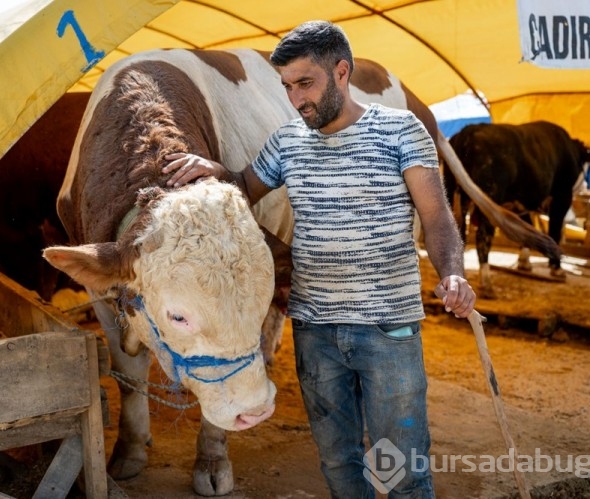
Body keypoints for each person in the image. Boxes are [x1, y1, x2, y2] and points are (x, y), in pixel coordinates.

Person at [162, 20, 476, 499]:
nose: (296, 99)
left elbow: (436, 217)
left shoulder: (400, 130)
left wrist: (452, 272)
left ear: (342, 72)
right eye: (287, 87)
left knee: (403, 463)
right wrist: (215, 172)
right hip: (315, 332)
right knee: (337, 460)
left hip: (388, 328)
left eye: (305, 84)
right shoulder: (287, 141)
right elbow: (244, 189)